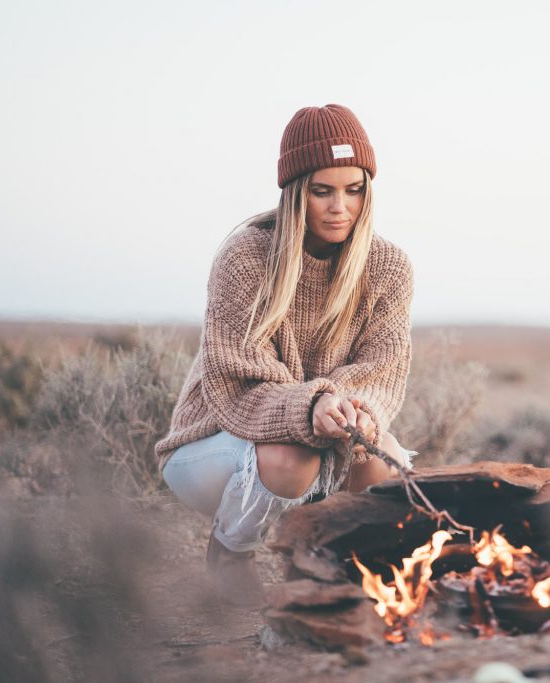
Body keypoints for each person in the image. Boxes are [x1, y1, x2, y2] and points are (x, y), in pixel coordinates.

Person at [155, 104, 415, 607]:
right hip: (215, 446)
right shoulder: (246, 257)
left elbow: (381, 370)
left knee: (382, 462)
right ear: (296, 192)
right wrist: (311, 406)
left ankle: (327, 566)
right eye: (323, 191)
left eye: (354, 189)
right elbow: (239, 381)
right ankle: (230, 553)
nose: (340, 206)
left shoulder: (389, 267)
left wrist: (355, 408)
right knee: (292, 458)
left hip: (324, 444)